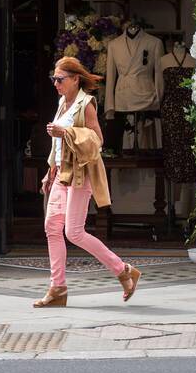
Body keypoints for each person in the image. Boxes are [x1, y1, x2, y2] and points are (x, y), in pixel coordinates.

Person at [34, 57, 140, 308]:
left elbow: (97, 140)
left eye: (60, 79)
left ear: (75, 79)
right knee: (52, 227)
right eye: (54, 79)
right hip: (60, 173)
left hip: (80, 174)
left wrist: (66, 132)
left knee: (73, 232)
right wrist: (50, 170)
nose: (56, 84)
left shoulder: (86, 104)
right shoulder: (62, 103)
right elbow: (57, 144)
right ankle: (57, 288)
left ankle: (123, 270)